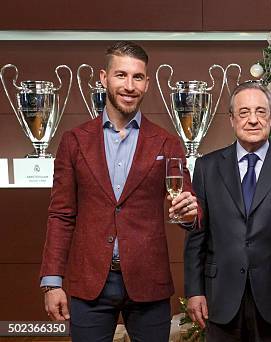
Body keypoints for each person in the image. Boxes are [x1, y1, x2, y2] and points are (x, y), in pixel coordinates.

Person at [39, 41, 199, 342]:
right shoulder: (74, 141)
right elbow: (61, 214)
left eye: (138, 77)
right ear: (104, 78)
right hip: (89, 282)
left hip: (148, 282)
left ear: (147, 82)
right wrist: (52, 280)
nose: (129, 85)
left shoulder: (167, 142)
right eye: (121, 75)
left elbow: (187, 204)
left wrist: (190, 214)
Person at [184, 81, 271, 341]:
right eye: (244, 112)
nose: (253, 120)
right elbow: (196, 236)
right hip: (221, 296)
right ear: (232, 120)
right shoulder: (207, 167)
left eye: (261, 112)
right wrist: (194, 290)